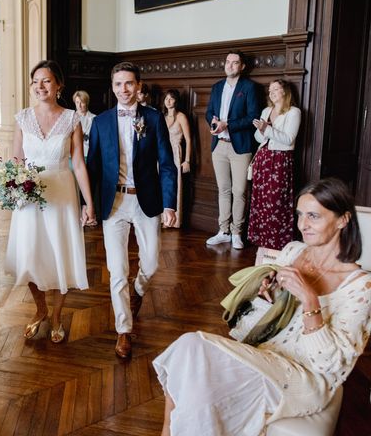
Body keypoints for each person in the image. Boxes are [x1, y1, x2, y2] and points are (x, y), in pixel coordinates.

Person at [153, 178, 371, 436]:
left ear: (343, 220)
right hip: (263, 354)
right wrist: (266, 298)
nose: (303, 225)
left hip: (305, 379)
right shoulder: (293, 251)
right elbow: (249, 329)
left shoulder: (360, 287)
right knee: (189, 350)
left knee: (195, 366)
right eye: (300, 215)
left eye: (314, 216)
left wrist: (310, 301)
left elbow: (330, 365)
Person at [87, 62, 178, 358]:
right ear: (112, 87)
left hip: (146, 201)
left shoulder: (153, 119)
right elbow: (92, 168)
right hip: (112, 203)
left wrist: (169, 204)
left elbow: (166, 163)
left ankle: (138, 291)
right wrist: (87, 205)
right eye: (118, 84)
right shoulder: (100, 122)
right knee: (117, 270)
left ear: (139, 86)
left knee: (150, 263)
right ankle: (123, 330)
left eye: (129, 84)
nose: (123, 90)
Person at [5, 60, 96, 344]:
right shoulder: (22, 118)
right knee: (31, 254)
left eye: (46, 81)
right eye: (35, 81)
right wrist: (12, 189)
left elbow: (79, 164)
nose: (40, 86)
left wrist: (88, 203)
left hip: (61, 194)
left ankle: (57, 315)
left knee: (60, 253)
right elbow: (16, 162)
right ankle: (40, 309)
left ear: (58, 85)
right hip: (30, 197)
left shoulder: (72, 119)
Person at [205, 50, 260, 250]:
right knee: (224, 190)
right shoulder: (217, 87)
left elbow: (252, 117)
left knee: (239, 191)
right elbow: (210, 111)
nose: (230, 65)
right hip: (218, 145)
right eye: (228, 62)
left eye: (235, 63)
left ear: (242, 66)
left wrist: (227, 124)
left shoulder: (250, 88)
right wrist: (212, 120)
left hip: (241, 147)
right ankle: (223, 231)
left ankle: (237, 232)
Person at [248, 80, 301, 258]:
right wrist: (262, 130)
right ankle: (262, 242)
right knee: (261, 201)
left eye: (275, 89)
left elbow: (288, 139)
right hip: (263, 158)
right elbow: (258, 137)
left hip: (280, 159)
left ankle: (277, 244)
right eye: (270, 90)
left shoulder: (294, 112)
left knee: (277, 200)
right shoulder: (266, 111)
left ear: (285, 91)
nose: (271, 93)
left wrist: (267, 129)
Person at [162, 89, 192, 228]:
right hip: (161, 153)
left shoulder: (181, 117)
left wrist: (187, 160)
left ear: (176, 101)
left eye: (171, 98)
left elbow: (189, 139)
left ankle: (173, 220)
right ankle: (161, 218)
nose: (168, 101)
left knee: (174, 184)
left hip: (175, 153)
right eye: (166, 98)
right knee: (161, 184)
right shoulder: (161, 117)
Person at [73, 90, 96, 157]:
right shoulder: (70, 118)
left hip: (90, 153)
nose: (79, 105)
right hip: (73, 153)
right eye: (77, 102)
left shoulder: (95, 118)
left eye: (82, 102)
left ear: (86, 103)